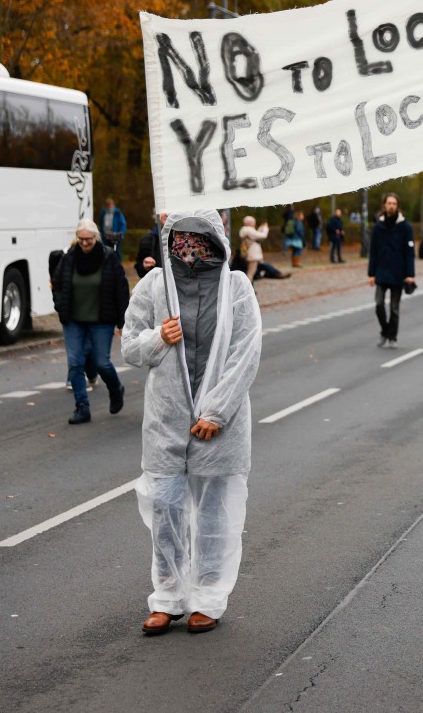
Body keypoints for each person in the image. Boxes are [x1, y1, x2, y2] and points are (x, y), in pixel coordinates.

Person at [121, 209, 262, 636]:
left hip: (220, 424)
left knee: (217, 512)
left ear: (216, 241)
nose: (189, 250)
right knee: (164, 505)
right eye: (181, 241)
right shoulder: (153, 286)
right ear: (169, 242)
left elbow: (245, 351)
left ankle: (208, 597)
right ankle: (168, 597)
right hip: (166, 419)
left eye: (199, 241)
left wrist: (217, 411)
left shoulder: (236, 287)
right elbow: (129, 346)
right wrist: (156, 338)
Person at [52, 219, 129, 424]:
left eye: (88, 239)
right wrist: (60, 306)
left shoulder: (109, 258)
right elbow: (57, 283)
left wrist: (123, 322)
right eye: (81, 239)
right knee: (75, 363)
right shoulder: (69, 258)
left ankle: (116, 388)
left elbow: (121, 290)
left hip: (101, 319)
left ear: (96, 237)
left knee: (102, 363)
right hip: (73, 320)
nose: (84, 243)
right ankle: (82, 407)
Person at [368, 193, 416, 348]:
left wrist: (410, 275)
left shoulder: (405, 227)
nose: (391, 206)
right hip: (381, 271)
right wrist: (371, 274)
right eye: (389, 203)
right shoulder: (378, 227)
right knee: (379, 305)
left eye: (394, 203)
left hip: (398, 272)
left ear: (397, 206)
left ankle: (392, 336)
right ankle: (385, 331)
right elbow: (373, 251)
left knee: (394, 309)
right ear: (384, 205)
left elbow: (410, 252)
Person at [238, 215, 269, 286]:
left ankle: (250, 287)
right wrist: (265, 227)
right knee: (251, 272)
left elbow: (256, 234)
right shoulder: (249, 230)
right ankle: (246, 288)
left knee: (252, 271)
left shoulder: (247, 230)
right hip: (253, 254)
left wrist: (262, 227)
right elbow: (262, 235)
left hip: (252, 254)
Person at [135, 213, 167, 280]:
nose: (167, 213)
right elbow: (140, 271)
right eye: (163, 210)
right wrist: (145, 266)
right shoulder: (147, 239)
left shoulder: (189, 239)